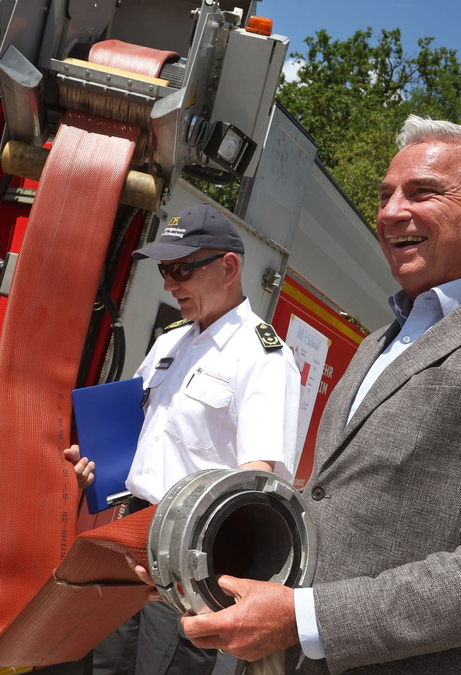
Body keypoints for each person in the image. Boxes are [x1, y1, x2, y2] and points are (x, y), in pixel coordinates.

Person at [171, 115, 461, 675]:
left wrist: (305, 620)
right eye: (385, 196)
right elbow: (335, 503)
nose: (389, 213)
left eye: (423, 192)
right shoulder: (378, 342)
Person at [65, 202, 302, 675]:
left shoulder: (263, 357)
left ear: (228, 268)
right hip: (130, 533)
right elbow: (141, 435)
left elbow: (256, 482)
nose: (169, 285)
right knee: (106, 666)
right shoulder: (170, 341)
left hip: (186, 554)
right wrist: (96, 464)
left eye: (181, 270)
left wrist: (202, 579)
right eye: (164, 270)